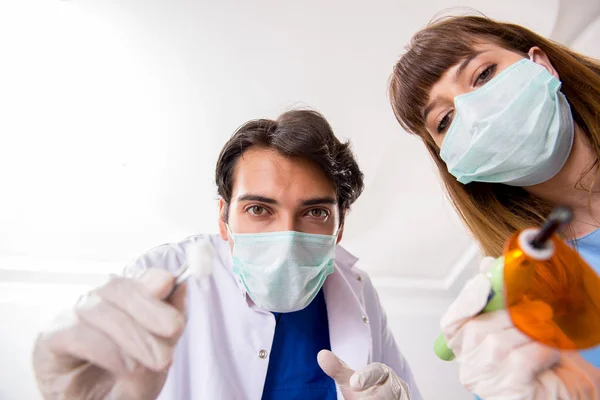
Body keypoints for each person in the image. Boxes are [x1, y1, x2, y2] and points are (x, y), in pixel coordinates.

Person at [31, 109, 421, 400]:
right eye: (259, 209)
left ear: (339, 227)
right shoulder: (164, 274)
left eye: (315, 212)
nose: (286, 237)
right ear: (223, 217)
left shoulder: (359, 291)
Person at [388, 14, 600, 400]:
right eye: (446, 119)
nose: (475, 114)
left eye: (483, 75)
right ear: (454, 162)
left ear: (541, 65)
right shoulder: (516, 318)